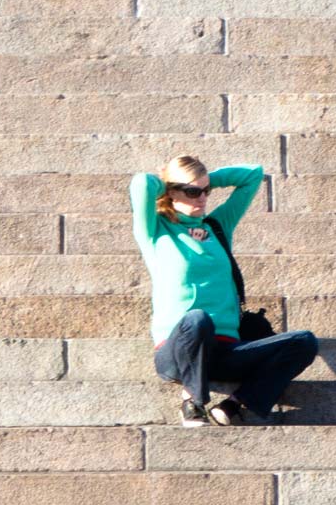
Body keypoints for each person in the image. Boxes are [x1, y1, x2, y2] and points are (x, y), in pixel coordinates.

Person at [133, 155, 319, 426]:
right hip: (179, 349)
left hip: (226, 350)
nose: (202, 198)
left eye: (206, 191)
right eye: (192, 191)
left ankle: (234, 405)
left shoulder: (217, 227)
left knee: (304, 341)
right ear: (171, 191)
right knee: (197, 319)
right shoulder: (155, 230)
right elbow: (140, 184)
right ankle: (193, 401)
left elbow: (252, 175)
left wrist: (206, 180)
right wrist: (167, 184)